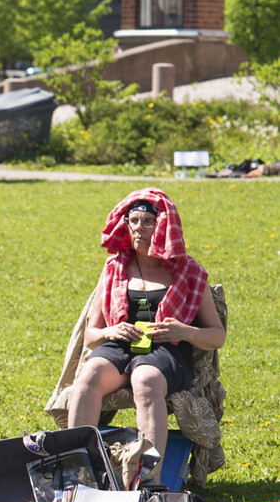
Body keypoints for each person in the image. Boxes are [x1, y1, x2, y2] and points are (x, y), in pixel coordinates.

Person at [67, 188, 226, 478]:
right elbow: (91, 335)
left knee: (146, 379)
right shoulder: (115, 266)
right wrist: (112, 330)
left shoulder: (188, 272)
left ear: (163, 225)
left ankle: (147, 480)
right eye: (133, 220)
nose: (139, 228)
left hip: (168, 350)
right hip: (119, 345)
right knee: (88, 376)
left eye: (147, 221)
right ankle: (79, 473)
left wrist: (183, 330)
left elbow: (217, 335)